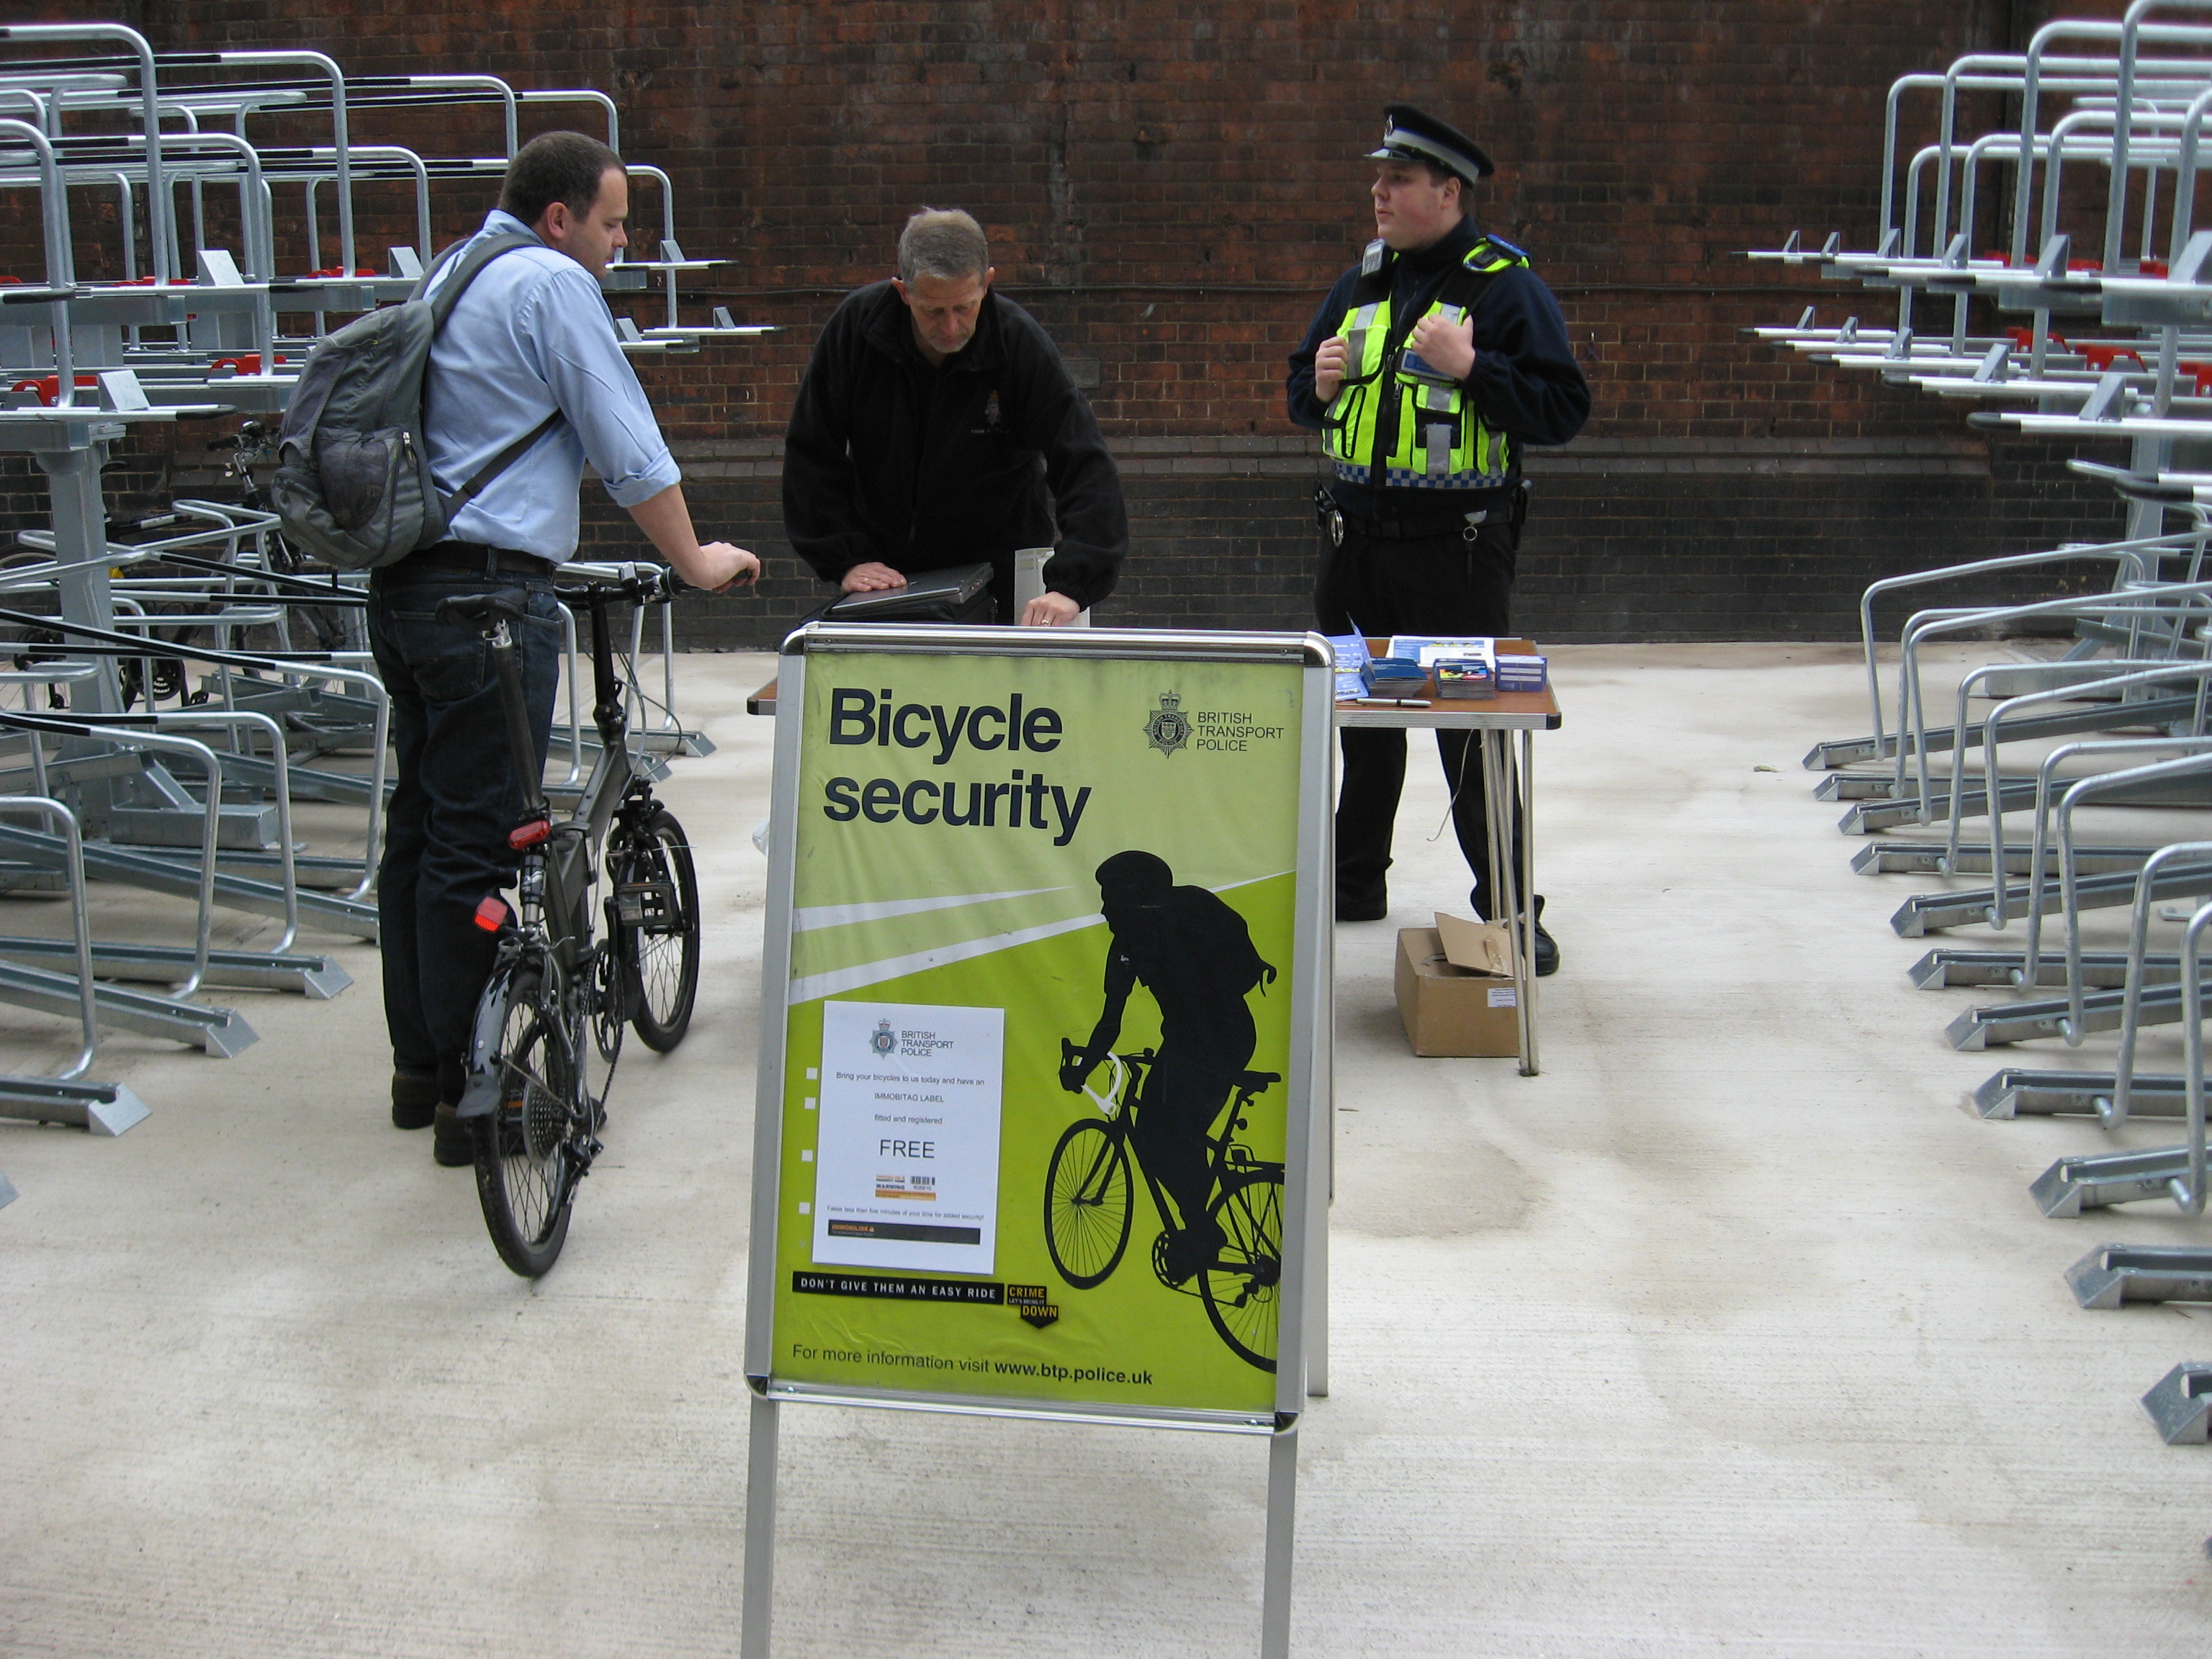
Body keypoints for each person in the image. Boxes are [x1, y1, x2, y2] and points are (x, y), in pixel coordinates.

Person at [372, 130, 757, 1165]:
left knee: (421, 829)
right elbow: (624, 443)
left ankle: (423, 1072)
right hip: (488, 597)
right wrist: (696, 558)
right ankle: (479, 1102)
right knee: (481, 842)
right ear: (561, 218)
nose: (624, 242)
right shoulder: (549, 283)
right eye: (616, 220)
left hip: (406, 587)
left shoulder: (456, 267)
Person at [1286, 104, 1589, 971]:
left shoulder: (1506, 288)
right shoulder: (1363, 283)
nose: (1378, 192)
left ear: (1448, 192)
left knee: (1471, 735)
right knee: (1362, 728)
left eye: (1398, 180)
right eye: (1379, 178)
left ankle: (1510, 910)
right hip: (1354, 547)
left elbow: (1564, 408)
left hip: (1455, 556)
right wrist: (1314, 382)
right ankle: (1353, 882)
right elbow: (1302, 396)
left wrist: (1474, 367)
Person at [782, 207, 1127, 625]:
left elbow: (1083, 461)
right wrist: (845, 559)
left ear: (987, 283)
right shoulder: (855, 332)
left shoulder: (1019, 343)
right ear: (902, 291)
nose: (950, 328)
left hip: (1000, 575)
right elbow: (812, 451)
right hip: (887, 580)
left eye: (964, 308)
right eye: (932, 311)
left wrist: (1071, 586)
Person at [1060, 851, 1276, 1285]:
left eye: (1109, 899)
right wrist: (1086, 1067)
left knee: (1162, 1137)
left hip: (1212, 1039)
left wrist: (1083, 1069)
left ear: (1134, 898)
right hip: (1201, 1038)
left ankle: (1201, 1231)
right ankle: (1199, 1225)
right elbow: (1110, 1021)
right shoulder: (1132, 942)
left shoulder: (1162, 926)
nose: (1103, 910)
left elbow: (1111, 1021)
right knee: (1171, 1132)